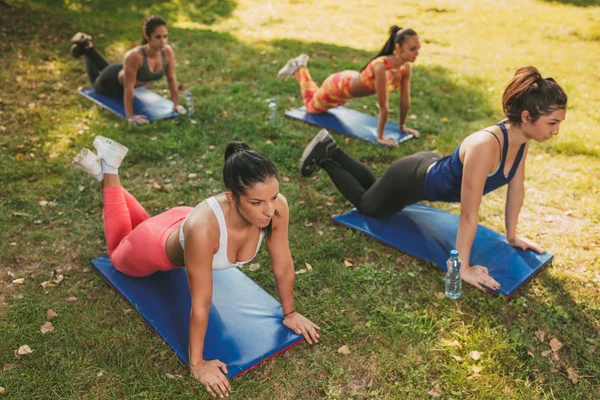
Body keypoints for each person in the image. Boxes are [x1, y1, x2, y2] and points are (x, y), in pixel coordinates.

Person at [72, 138, 320, 397]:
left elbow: (283, 263)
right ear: (231, 198)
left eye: (273, 197)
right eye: (257, 202)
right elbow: (200, 302)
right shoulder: (203, 230)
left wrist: (290, 313)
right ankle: (109, 172)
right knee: (119, 255)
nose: (269, 210)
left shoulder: (276, 208)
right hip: (155, 242)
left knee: (142, 224)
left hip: (183, 224)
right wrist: (197, 363)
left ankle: (102, 172)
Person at [299, 66, 567, 292]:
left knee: (376, 190)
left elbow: (516, 188)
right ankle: (325, 157)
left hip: (424, 168)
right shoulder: (487, 145)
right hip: (412, 179)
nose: (556, 131)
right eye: (552, 123)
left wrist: (512, 236)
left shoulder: (523, 138)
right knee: (369, 206)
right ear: (526, 116)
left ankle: (332, 149)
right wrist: (463, 267)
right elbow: (469, 214)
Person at [277, 25, 421, 147]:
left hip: (347, 90)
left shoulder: (405, 67)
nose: (417, 53)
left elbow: (404, 100)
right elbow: (383, 105)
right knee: (310, 107)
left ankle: (299, 66)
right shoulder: (381, 67)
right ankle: (300, 68)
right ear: (398, 48)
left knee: (317, 99)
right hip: (339, 86)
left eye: (418, 48)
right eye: (412, 49)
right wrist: (380, 137)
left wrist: (402, 126)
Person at [70, 15, 184, 125]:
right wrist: (130, 116)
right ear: (147, 36)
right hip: (110, 82)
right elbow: (128, 88)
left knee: (110, 69)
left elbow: (171, 79)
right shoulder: (135, 56)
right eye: (158, 37)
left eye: (165, 36)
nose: (163, 41)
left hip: (121, 71)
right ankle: (86, 51)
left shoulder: (167, 52)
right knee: (96, 85)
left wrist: (176, 104)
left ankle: (88, 47)